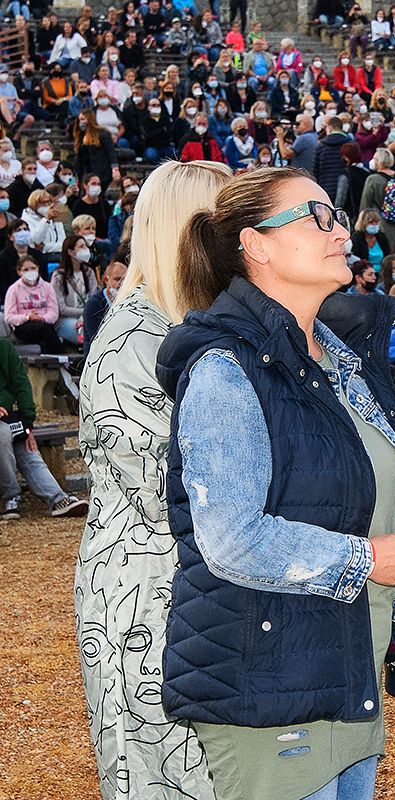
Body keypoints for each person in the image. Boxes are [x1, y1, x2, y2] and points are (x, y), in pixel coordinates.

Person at [154, 166, 395, 800]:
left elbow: (338, 498)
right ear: (255, 246)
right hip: (268, 679)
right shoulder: (224, 367)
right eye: (314, 217)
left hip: (348, 666)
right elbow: (233, 537)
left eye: (336, 216)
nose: (337, 230)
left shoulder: (341, 358)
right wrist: (368, 557)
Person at [75, 160, 233, 800]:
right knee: (165, 777)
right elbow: (176, 486)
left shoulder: (180, 327)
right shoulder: (134, 341)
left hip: (185, 587)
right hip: (151, 596)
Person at [0, 332, 88, 520]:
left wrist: (27, 423)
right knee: (3, 434)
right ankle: (11, 496)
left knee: (25, 443)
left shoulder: (3, 347)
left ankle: (58, 499)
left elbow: (21, 384)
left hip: (7, 418)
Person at [5, 254, 62, 353]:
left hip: (44, 323)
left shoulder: (47, 287)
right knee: (45, 330)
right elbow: (9, 317)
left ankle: (50, 359)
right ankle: (60, 357)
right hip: (23, 326)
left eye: (33, 268)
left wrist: (42, 318)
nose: (30, 272)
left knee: (45, 329)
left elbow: (53, 313)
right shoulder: (13, 289)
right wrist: (28, 317)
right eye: (26, 270)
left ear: (38, 268)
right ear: (19, 272)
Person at [50, 234, 98, 347]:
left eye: (85, 246)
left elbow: (93, 296)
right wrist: (84, 312)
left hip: (86, 316)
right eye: (81, 247)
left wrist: (86, 314)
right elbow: (62, 308)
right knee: (85, 332)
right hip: (66, 319)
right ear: (70, 252)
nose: (85, 249)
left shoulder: (89, 272)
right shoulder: (58, 276)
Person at [82, 258, 126, 355]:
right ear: (107, 280)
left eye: (125, 280)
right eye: (117, 279)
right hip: (97, 359)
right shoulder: (93, 305)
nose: (121, 284)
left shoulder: (128, 302)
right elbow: (98, 339)